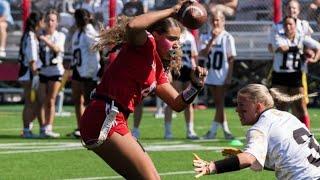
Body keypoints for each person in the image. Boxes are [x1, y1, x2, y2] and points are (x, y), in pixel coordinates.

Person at [79, 1, 208, 178]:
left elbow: (177, 103)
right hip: (104, 115)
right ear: (155, 35)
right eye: (171, 39)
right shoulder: (146, 44)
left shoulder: (158, 69)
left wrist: (195, 87)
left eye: (178, 40)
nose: (177, 44)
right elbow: (133, 25)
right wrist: (172, 11)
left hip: (114, 118)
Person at [193, 83, 320, 179]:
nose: (237, 110)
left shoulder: (259, 128)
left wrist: (212, 167)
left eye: (241, 105)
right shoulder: (287, 116)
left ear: (258, 106)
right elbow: (286, 159)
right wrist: (246, 155)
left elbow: (248, 160)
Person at [271, 16, 320, 129]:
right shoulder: (279, 36)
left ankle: (307, 133)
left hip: (296, 76)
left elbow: (318, 46)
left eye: (291, 24)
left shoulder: (301, 37)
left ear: (295, 26)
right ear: (283, 26)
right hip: (280, 76)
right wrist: (300, 49)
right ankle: (279, 134)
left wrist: (315, 58)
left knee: (301, 106)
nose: (288, 27)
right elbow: (282, 48)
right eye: (286, 24)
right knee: (280, 108)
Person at [200, 11, 237, 141]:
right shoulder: (205, 36)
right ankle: (219, 131)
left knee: (219, 103)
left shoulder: (227, 37)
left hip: (222, 74)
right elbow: (203, 54)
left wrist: (229, 76)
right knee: (218, 103)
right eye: (214, 20)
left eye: (218, 20)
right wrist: (212, 39)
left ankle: (219, 131)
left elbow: (231, 58)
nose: (216, 23)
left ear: (223, 21)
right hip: (210, 74)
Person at [163, 25, 199, 139]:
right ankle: (168, 131)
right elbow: (170, 53)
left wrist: (195, 69)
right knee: (172, 99)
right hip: (176, 69)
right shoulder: (175, 36)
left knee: (188, 101)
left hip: (188, 70)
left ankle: (190, 130)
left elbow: (193, 55)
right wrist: (169, 69)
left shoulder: (190, 37)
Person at [70, 8, 101, 138]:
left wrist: (93, 71)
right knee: (77, 99)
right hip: (78, 68)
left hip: (88, 71)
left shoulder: (89, 31)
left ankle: (92, 128)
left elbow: (97, 46)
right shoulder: (78, 33)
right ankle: (80, 127)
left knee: (90, 102)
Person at [37, 9, 66, 138]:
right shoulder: (39, 35)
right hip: (43, 71)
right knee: (41, 100)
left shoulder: (60, 35)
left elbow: (56, 48)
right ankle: (42, 127)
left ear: (57, 23)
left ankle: (49, 126)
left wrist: (45, 39)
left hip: (55, 71)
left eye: (53, 20)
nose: (50, 22)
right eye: (48, 20)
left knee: (51, 100)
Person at [18, 11, 45, 138]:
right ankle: (26, 129)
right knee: (30, 102)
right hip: (29, 73)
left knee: (33, 102)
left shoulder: (28, 35)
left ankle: (28, 128)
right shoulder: (30, 36)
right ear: (38, 22)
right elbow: (32, 59)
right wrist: (35, 75)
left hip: (27, 72)